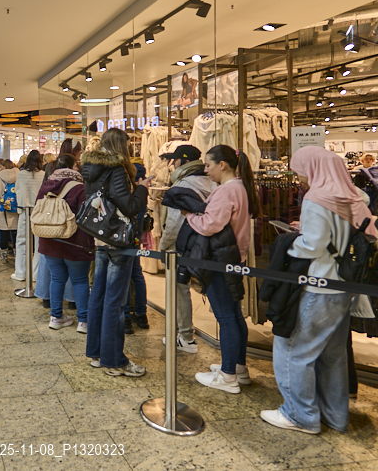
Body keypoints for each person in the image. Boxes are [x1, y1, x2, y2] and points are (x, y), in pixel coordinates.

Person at [262, 146, 378, 434]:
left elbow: (313, 245)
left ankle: (299, 415)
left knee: (293, 349)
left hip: (320, 284)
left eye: (300, 170)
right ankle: (335, 416)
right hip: (345, 287)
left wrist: (292, 241)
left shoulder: (317, 198)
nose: (299, 177)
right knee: (333, 355)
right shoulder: (353, 196)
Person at [185, 145, 260, 394]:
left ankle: (228, 375)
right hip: (234, 257)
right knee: (234, 315)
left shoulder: (227, 191)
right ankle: (237, 367)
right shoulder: (240, 187)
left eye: (208, 165)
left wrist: (189, 215)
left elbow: (210, 225)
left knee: (226, 318)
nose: (206, 170)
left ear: (223, 165)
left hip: (220, 259)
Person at [82, 130, 151, 377]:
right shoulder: (117, 169)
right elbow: (129, 206)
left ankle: (98, 353)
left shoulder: (91, 168)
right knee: (115, 301)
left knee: (98, 296)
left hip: (100, 238)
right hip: (118, 242)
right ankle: (114, 361)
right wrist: (142, 188)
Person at [159, 145, 216, 353]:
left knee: (178, 289)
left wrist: (163, 247)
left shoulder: (183, 185)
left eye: (174, 160)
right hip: (205, 244)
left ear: (183, 162)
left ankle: (185, 337)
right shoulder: (212, 181)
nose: (171, 164)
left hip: (182, 245)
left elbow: (174, 223)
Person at [37, 153, 94, 331]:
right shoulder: (80, 187)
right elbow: (86, 216)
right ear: (73, 167)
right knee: (80, 280)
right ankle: (83, 321)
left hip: (49, 240)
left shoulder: (46, 185)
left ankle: (56, 317)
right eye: (76, 165)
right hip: (74, 242)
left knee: (56, 279)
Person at [124, 152, 149, 334]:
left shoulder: (127, 176)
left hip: (124, 230)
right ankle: (141, 314)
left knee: (125, 274)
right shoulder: (142, 180)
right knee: (137, 273)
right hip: (137, 229)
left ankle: (125, 317)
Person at [12, 150, 45, 282]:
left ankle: (20, 272)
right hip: (39, 211)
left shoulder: (21, 174)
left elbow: (18, 191)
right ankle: (36, 274)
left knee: (21, 241)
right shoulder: (43, 174)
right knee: (39, 244)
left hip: (25, 210)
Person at [0, 160, 20, 263]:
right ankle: (16, 253)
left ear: (4, 167)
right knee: (15, 232)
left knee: (3, 232)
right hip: (16, 208)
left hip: (3, 209)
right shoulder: (19, 176)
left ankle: (4, 255)